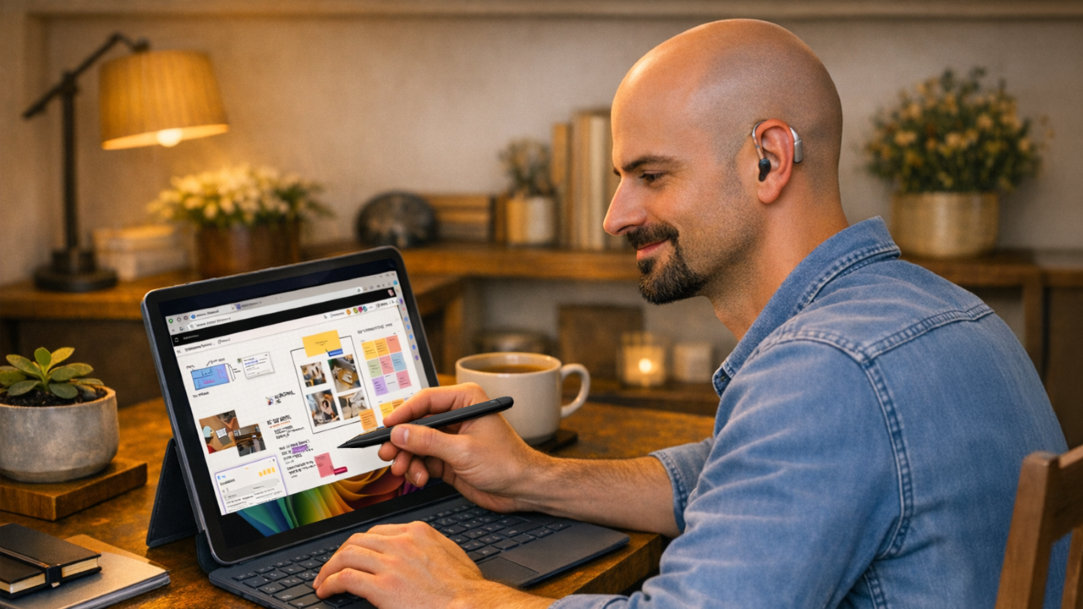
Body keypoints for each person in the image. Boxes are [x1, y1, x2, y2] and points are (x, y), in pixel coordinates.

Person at [313, 18, 1068, 609]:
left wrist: (455, 593)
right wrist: (531, 477)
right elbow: (735, 474)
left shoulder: (825, 370)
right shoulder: (946, 313)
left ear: (767, 161)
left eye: (649, 175)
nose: (614, 216)